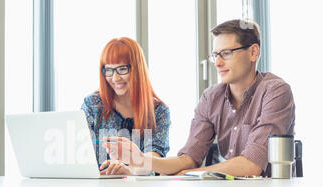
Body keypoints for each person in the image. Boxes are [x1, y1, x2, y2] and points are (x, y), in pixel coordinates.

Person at [102, 19, 295, 177]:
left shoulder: (276, 92)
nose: (218, 63)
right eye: (215, 55)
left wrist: (191, 174)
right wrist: (144, 160)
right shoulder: (211, 97)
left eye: (226, 54)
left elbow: (252, 165)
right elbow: (188, 158)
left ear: (253, 52)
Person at [81, 37, 171, 176]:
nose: (115, 78)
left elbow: (154, 160)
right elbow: (80, 151)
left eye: (122, 69)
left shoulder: (158, 111)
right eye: (109, 70)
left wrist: (130, 171)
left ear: (137, 68)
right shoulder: (93, 104)